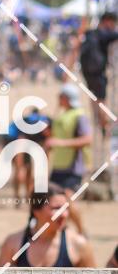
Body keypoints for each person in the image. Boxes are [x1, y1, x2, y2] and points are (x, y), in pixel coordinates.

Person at [46, 84, 92, 235]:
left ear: (66, 98)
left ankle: (81, 232)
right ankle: (61, 233)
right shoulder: (61, 116)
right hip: (58, 166)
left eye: (60, 96)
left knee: (68, 200)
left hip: (73, 167)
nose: (58, 99)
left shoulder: (80, 116)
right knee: (53, 202)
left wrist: (60, 143)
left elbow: (87, 139)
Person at [77, 12, 117, 130]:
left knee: (94, 98)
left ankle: (97, 122)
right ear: (107, 21)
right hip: (98, 72)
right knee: (101, 100)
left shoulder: (90, 33)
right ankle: (104, 126)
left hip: (86, 72)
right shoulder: (104, 34)